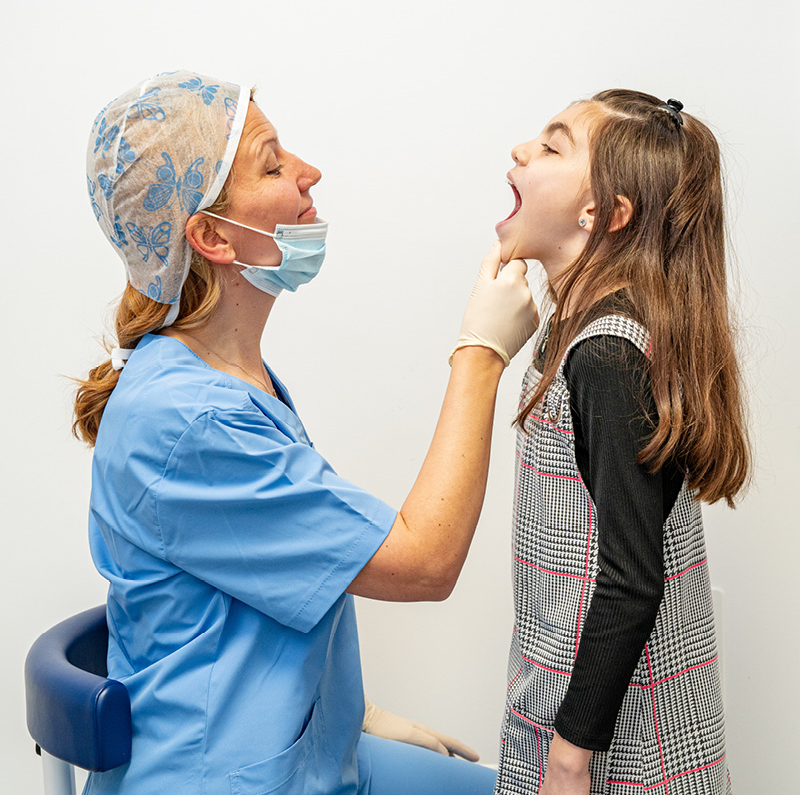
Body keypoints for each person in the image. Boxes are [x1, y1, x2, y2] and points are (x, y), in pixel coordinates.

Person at [75, 70, 538, 795]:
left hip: (302, 746)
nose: (308, 172)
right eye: (272, 164)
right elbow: (425, 563)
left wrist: (350, 716)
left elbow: (265, 580)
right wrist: (481, 354)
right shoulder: (192, 421)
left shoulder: (224, 379)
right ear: (210, 236)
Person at [492, 90, 750, 795]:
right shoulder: (576, 332)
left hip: (623, 753)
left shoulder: (608, 355)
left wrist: (568, 759)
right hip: (574, 704)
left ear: (604, 214)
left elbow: (633, 581)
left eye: (551, 146)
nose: (521, 151)